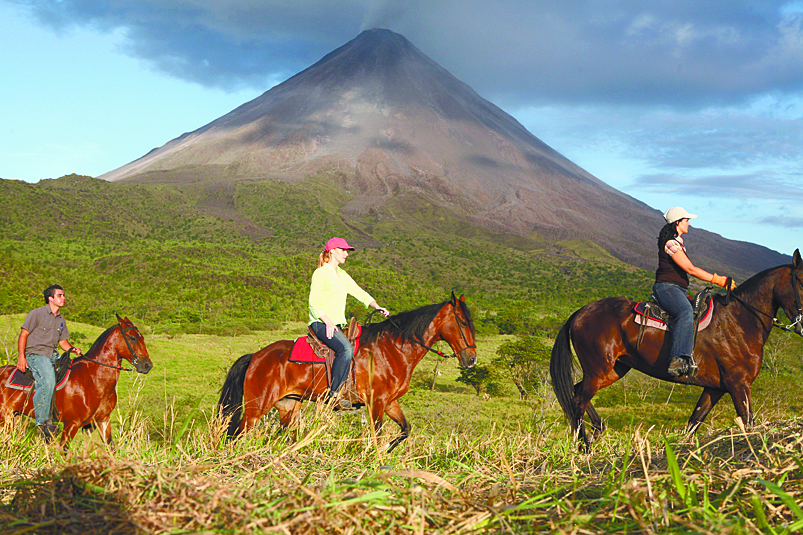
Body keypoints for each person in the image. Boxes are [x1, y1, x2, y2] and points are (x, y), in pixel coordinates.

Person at [653, 207, 736, 377]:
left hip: (678, 288)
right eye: (686, 221)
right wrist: (718, 280)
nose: (689, 224)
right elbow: (690, 269)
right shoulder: (671, 243)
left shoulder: (678, 243)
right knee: (685, 312)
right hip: (667, 287)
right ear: (678, 222)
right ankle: (677, 359)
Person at [309, 237, 389, 409]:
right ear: (332, 251)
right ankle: (333, 396)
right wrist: (328, 323)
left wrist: (377, 305)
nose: (346, 253)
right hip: (320, 323)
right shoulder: (321, 273)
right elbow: (313, 304)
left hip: (336, 325)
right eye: (343, 250)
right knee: (346, 349)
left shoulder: (342, 275)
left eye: (347, 251)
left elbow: (359, 293)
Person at [17, 284, 83, 440]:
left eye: (64, 295)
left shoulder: (61, 320)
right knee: (47, 380)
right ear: (50, 298)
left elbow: (63, 343)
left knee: (72, 373)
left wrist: (72, 349)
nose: (64, 298)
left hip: (53, 354)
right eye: (60, 295)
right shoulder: (37, 314)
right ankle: (42, 423)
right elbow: (23, 335)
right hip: (36, 354)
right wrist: (21, 356)